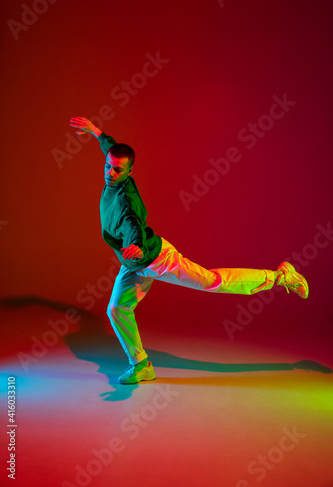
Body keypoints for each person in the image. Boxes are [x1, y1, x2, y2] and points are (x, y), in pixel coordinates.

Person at [69, 116, 309, 385]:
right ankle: (141, 365)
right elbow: (112, 149)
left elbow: (135, 225)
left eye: (117, 170)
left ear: (129, 172)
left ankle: (280, 276)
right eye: (108, 167)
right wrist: (96, 132)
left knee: (211, 281)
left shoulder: (127, 200)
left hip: (156, 258)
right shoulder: (116, 172)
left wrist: (136, 245)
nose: (110, 174)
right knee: (117, 309)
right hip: (135, 264)